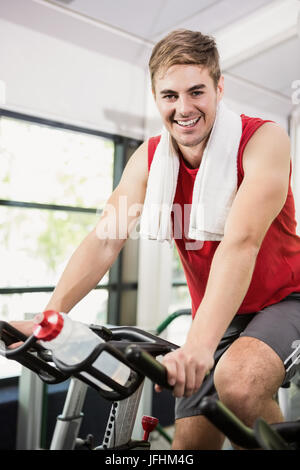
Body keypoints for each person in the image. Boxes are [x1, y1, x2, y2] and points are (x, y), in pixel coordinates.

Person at [10, 29, 300, 450]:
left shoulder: (263, 140)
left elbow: (242, 242)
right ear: (155, 97)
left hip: (286, 298)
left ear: (219, 88)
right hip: (219, 313)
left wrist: (198, 346)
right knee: (188, 445)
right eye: (170, 95)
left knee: (238, 382)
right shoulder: (150, 161)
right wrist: (48, 319)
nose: (184, 108)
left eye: (196, 91)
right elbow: (105, 239)